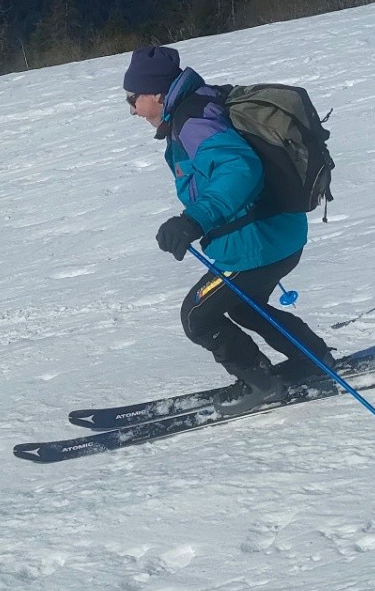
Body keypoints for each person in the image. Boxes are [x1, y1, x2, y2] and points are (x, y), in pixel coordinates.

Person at [122, 44, 334, 412]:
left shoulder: (195, 122)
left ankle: (261, 383)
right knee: (245, 306)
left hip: (255, 245)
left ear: (156, 94)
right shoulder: (203, 104)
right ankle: (313, 358)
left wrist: (192, 221)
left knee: (197, 316)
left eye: (133, 97)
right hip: (279, 233)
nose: (131, 108)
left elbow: (239, 169)